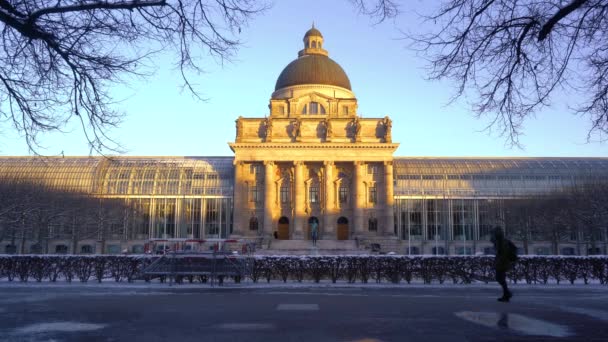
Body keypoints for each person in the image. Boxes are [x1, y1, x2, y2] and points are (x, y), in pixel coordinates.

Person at [491, 227, 515, 302]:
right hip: (502, 263)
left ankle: (507, 294)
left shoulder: (502, 242)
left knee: (500, 278)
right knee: (501, 279)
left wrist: (499, 263)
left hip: (503, 263)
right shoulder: (500, 241)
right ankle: (506, 294)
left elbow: (503, 254)